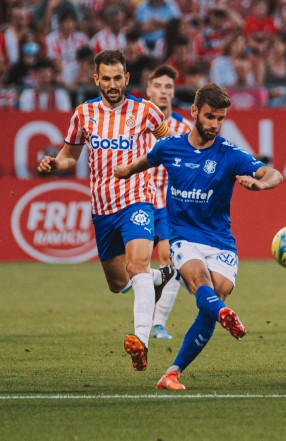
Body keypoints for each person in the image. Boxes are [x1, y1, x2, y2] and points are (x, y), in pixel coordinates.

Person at [114, 83, 283, 390]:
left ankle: (172, 372)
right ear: (194, 112)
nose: (215, 124)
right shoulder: (170, 147)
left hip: (221, 241)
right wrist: (126, 170)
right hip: (182, 237)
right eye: (209, 117)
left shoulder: (230, 154)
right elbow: (149, 159)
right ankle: (225, 314)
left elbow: (273, 174)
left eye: (220, 119)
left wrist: (262, 185)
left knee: (210, 302)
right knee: (201, 284)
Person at [36, 50, 176, 372]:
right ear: (96, 79)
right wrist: (56, 164)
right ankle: (158, 279)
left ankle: (141, 341)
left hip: (139, 200)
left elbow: (168, 144)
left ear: (127, 78)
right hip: (102, 209)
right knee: (117, 283)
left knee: (137, 264)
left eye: (118, 78)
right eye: (106, 79)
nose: (113, 85)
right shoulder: (84, 114)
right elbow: (70, 155)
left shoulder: (146, 112)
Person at [145, 65, 193, 339]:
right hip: (136, 197)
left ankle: (157, 322)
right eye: (158, 86)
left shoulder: (183, 127)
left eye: (169, 88)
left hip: (166, 202)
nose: (164, 92)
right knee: (130, 268)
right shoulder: (135, 120)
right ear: (148, 88)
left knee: (168, 259)